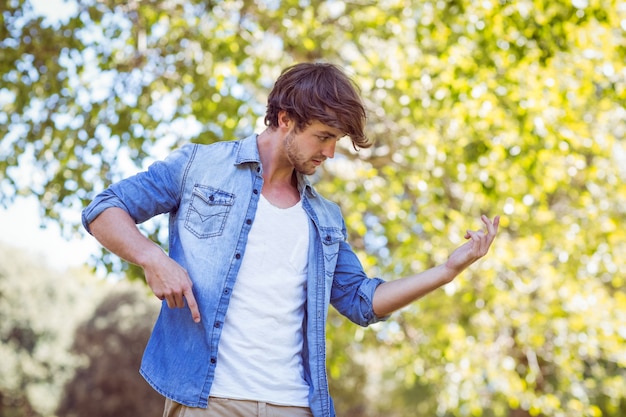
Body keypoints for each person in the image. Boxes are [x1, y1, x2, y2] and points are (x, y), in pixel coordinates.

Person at [82, 62, 499, 417]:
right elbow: (104, 209)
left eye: (336, 141)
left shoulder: (324, 218)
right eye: (323, 136)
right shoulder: (200, 167)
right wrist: (154, 259)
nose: (331, 153)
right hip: (210, 400)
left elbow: (361, 302)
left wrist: (447, 271)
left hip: (295, 405)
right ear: (284, 119)